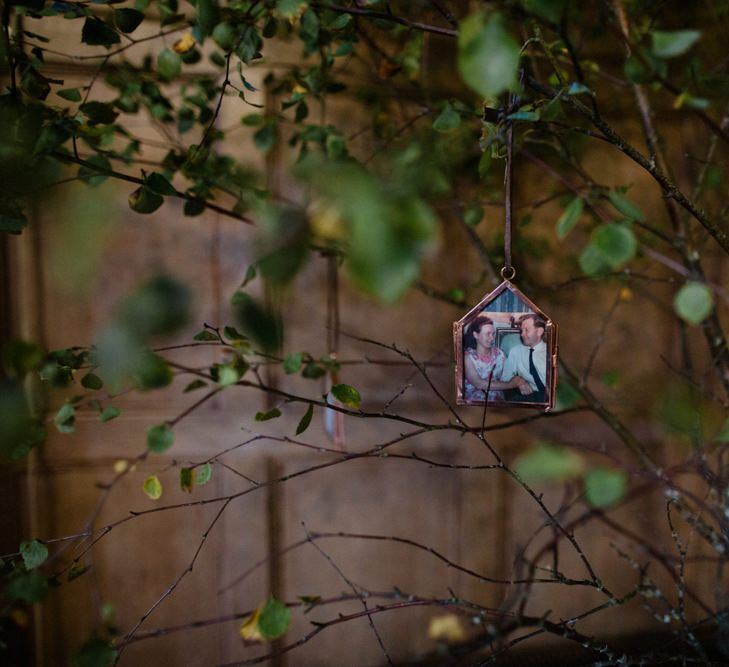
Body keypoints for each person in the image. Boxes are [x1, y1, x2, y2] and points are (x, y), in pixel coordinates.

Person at [463, 315, 529, 401]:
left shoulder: (499, 354)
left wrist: (520, 380)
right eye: (488, 334)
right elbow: (479, 384)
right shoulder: (468, 357)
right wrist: (510, 384)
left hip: (497, 402)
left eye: (493, 334)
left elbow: (510, 374)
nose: (492, 338)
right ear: (476, 335)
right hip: (475, 404)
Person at [502, 313, 548, 403]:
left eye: (526, 330)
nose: (522, 334)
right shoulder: (516, 352)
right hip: (528, 396)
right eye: (521, 330)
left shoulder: (550, 352)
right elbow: (505, 378)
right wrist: (518, 380)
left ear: (539, 331)